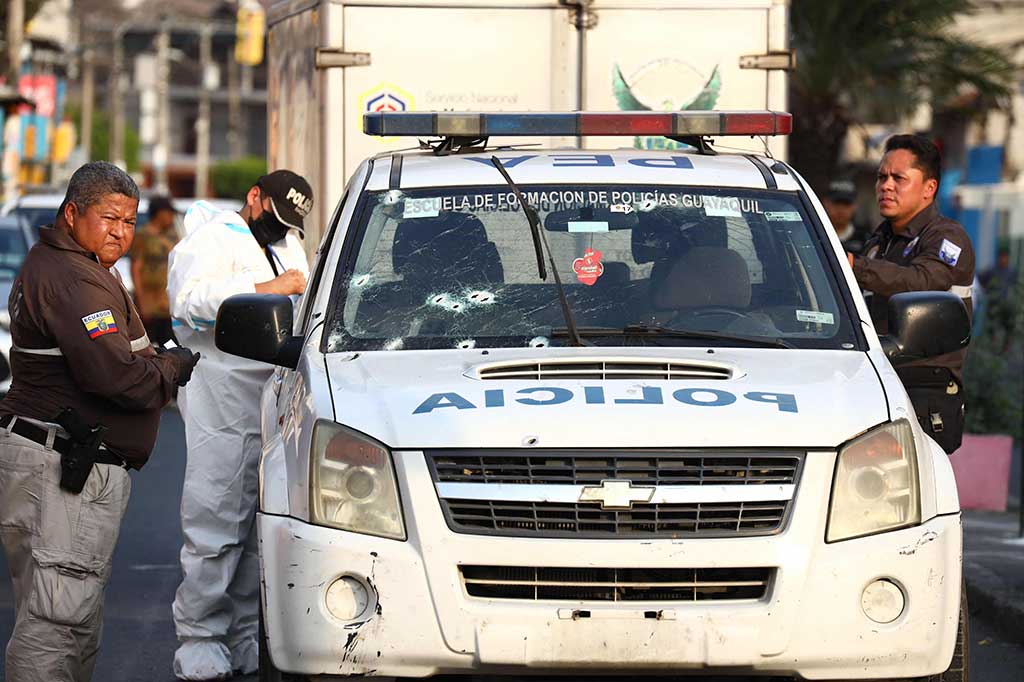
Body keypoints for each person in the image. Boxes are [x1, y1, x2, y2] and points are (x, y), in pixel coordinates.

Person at [0, 162, 200, 682]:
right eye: (109, 218)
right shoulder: (73, 280)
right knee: (54, 625)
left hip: (60, 465)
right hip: (61, 467)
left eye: (129, 221)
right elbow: (119, 378)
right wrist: (170, 368)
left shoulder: (77, 266)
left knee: (69, 619)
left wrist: (151, 363)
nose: (120, 232)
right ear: (72, 213)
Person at [167, 170, 312, 680]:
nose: (281, 230)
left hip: (276, 401)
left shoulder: (290, 246)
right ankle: (199, 637)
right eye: (275, 218)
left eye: (289, 224)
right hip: (221, 402)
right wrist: (272, 286)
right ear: (255, 198)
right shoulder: (212, 240)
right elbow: (190, 302)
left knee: (261, 524)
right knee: (215, 520)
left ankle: (246, 635)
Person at [848, 134, 975, 453]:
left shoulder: (947, 238)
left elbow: (922, 282)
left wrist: (855, 266)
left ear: (929, 188)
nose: (885, 186)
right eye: (881, 177)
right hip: (876, 380)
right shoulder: (881, 240)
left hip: (922, 389)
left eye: (898, 178)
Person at [130, 195, 179, 346]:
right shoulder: (142, 236)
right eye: (169, 213)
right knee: (146, 346)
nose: (171, 217)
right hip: (150, 305)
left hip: (168, 306)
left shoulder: (172, 236)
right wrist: (141, 302)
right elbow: (136, 268)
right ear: (160, 213)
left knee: (171, 346)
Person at [822, 177, 868, 254]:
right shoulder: (816, 236)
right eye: (836, 203)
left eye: (846, 203)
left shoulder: (865, 240)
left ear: (855, 206)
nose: (841, 209)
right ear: (825, 203)